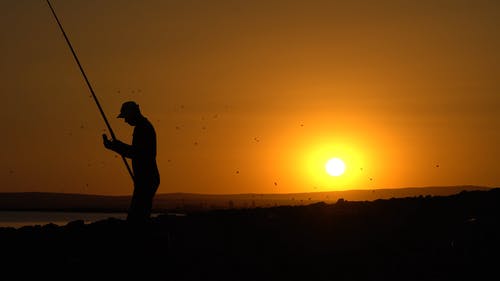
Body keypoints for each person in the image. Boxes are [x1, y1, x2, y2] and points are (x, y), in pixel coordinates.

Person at [102, 101, 160, 224]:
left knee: (137, 218)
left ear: (132, 114)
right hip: (146, 179)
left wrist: (115, 146)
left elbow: (136, 153)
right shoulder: (143, 127)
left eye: (126, 117)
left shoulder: (143, 128)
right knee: (140, 216)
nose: (125, 121)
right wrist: (116, 146)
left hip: (146, 179)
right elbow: (136, 152)